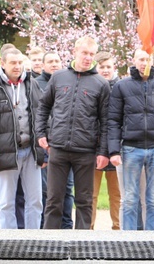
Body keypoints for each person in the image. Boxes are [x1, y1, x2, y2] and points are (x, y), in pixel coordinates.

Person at [36, 35, 110, 229]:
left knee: (84, 201)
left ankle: (82, 242)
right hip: (58, 148)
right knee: (53, 200)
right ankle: (49, 242)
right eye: (84, 53)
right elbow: (43, 107)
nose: (87, 57)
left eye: (92, 54)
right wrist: (41, 133)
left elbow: (106, 121)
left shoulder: (101, 83)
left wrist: (103, 152)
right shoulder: (58, 77)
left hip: (85, 151)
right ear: (75, 51)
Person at [0, 48, 46, 229]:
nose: (17, 66)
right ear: (2, 63)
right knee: (6, 202)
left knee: (35, 200)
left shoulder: (33, 85)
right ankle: (9, 241)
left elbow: (43, 115)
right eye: (13, 63)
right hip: (5, 152)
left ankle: (33, 240)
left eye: (20, 62)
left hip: (31, 151)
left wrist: (43, 147)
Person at [109, 49, 154, 231]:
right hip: (130, 148)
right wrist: (113, 150)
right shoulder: (121, 86)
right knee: (129, 198)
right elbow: (113, 119)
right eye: (141, 59)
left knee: (153, 199)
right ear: (134, 60)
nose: (144, 63)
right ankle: (128, 239)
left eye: (148, 59)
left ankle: (152, 239)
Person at [34, 50, 75, 229]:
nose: (54, 64)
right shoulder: (35, 84)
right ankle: (47, 225)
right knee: (48, 190)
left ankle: (66, 225)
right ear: (43, 65)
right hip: (47, 143)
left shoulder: (70, 81)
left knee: (68, 189)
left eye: (57, 61)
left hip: (68, 143)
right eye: (49, 61)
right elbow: (38, 113)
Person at [91, 51, 121, 230]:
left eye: (108, 67)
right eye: (102, 67)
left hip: (116, 146)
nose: (105, 70)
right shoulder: (92, 85)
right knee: (91, 193)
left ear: (114, 68)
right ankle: (89, 228)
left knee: (116, 193)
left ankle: (117, 227)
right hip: (94, 146)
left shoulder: (121, 86)